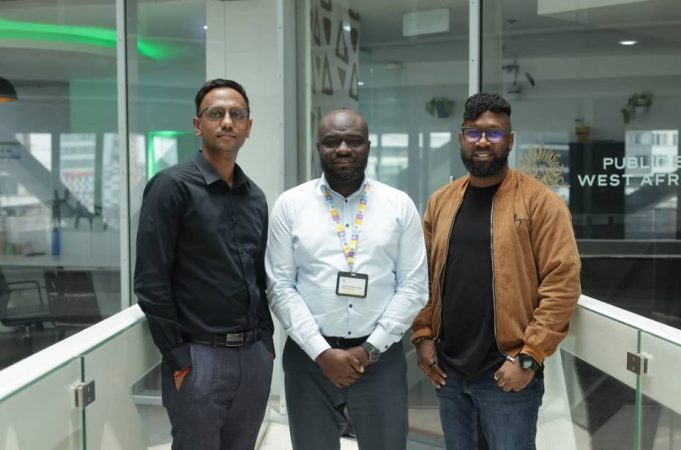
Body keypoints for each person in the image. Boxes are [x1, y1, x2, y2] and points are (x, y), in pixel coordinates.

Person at [411, 92, 581, 450]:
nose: (483, 141)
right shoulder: (442, 202)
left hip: (507, 372)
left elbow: (562, 283)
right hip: (449, 372)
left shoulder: (540, 203)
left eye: (494, 133)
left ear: (510, 140)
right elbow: (422, 277)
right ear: (461, 138)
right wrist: (423, 335)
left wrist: (529, 358)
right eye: (473, 133)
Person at [265, 109, 428, 450]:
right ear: (318, 147)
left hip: (379, 359)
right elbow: (280, 287)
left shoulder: (399, 206)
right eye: (332, 141)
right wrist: (321, 352)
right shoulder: (290, 205)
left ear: (368, 146)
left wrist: (370, 349)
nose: (343, 149)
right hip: (309, 359)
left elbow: (413, 288)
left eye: (353, 141)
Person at [134, 78, 274, 450]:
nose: (227, 122)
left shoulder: (255, 197)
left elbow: (258, 277)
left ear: (248, 127)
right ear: (198, 125)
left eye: (237, 115)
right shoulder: (171, 187)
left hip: (253, 358)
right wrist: (177, 357)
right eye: (216, 114)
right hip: (199, 359)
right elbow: (151, 280)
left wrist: (266, 344)